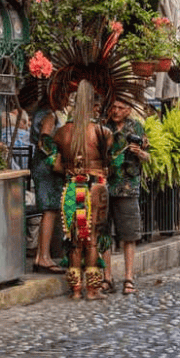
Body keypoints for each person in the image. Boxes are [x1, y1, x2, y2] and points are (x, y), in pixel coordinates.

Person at [53, 80, 112, 300]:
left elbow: (56, 165)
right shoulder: (102, 132)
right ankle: (93, 290)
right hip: (94, 187)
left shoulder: (61, 133)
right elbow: (110, 164)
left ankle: (76, 290)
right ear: (93, 106)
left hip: (71, 188)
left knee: (74, 241)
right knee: (92, 239)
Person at [103, 98, 150, 296]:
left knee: (129, 235)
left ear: (128, 110)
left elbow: (149, 156)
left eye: (120, 108)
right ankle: (107, 277)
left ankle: (128, 277)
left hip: (128, 187)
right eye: (113, 107)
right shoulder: (104, 127)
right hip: (105, 186)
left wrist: (139, 152)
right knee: (103, 234)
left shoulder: (136, 128)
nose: (116, 110)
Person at [29, 97, 64, 274]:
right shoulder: (49, 116)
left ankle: (41, 256)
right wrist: (55, 159)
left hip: (41, 163)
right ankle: (43, 256)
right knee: (49, 210)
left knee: (49, 210)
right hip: (46, 165)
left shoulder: (40, 113)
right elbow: (45, 139)